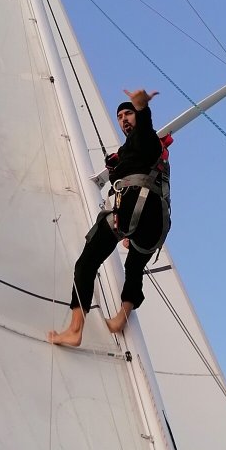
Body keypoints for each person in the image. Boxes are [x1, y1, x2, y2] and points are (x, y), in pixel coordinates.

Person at [48, 87, 171, 347]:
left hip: (132, 210)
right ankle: (121, 318)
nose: (124, 118)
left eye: (128, 114)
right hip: (154, 224)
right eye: (120, 116)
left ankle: (75, 330)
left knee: (86, 264)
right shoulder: (138, 150)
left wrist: (142, 107)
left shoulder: (146, 139)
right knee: (134, 268)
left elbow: (145, 129)